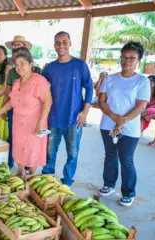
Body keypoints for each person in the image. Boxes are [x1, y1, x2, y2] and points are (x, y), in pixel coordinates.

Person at [98, 42, 150, 207]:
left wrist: (123, 121)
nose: (127, 60)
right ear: (120, 58)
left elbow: (141, 105)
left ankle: (128, 192)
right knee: (110, 156)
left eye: (132, 58)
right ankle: (109, 184)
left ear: (138, 61)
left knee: (126, 159)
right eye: (124, 57)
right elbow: (102, 101)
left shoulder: (142, 81)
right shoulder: (110, 78)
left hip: (129, 129)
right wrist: (115, 117)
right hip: (107, 125)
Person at [41, 31, 93, 186]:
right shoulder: (49, 68)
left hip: (74, 118)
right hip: (54, 118)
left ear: (70, 43)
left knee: (72, 153)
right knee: (50, 152)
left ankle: (67, 182)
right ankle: (47, 179)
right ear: (54, 45)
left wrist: (84, 112)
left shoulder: (79, 65)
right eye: (58, 42)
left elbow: (89, 88)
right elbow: (42, 91)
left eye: (64, 42)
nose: (61, 45)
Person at [0, 51, 52, 175]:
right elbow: (12, 102)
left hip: (34, 123)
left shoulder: (39, 80)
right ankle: (20, 173)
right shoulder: (17, 83)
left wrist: (40, 122)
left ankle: (30, 176)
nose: (19, 67)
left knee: (33, 150)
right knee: (19, 148)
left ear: (31, 64)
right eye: (17, 65)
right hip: (19, 123)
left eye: (22, 64)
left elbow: (48, 101)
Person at [2, 46, 31, 168]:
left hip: (31, 112)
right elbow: (8, 90)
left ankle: (28, 163)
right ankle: (10, 163)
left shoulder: (37, 71)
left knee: (29, 138)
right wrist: (3, 107)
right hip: (13, 110)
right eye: (15, 53)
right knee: (13, 137)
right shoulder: (12, 72)